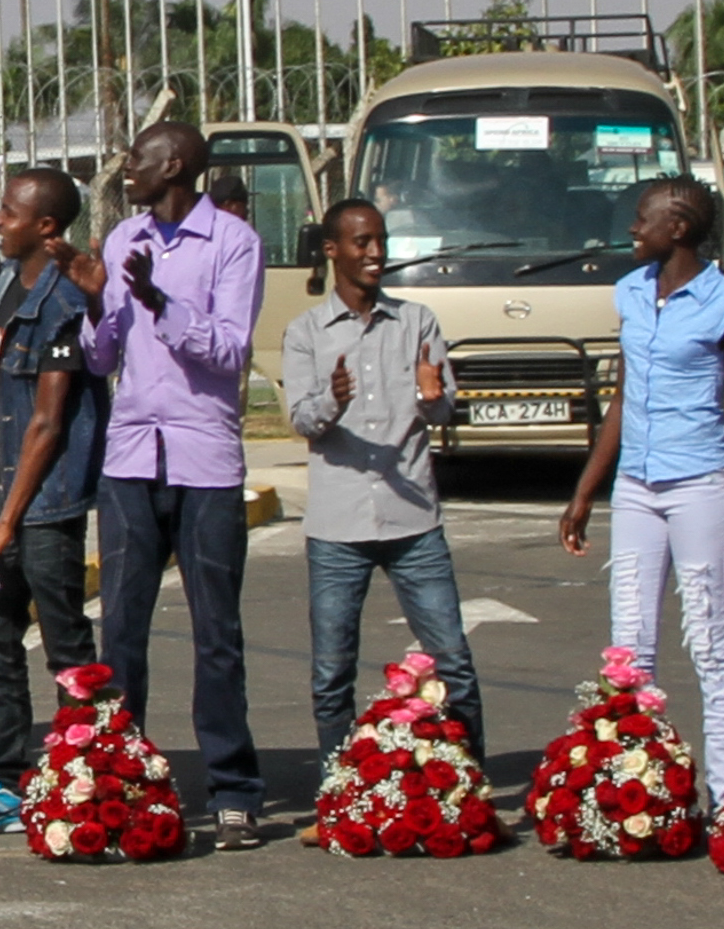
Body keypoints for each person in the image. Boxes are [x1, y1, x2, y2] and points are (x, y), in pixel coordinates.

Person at [559, 177, 724, 804]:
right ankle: (637, 784)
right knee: (630, 643)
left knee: (708, 636)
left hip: (703, 483)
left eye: (641, 219)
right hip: (637, 487)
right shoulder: (631, 293)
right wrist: (586, 490)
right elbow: (624, 397)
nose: (631, 230)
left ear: (677, 228)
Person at [85, 118, 273, 850]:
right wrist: (99, 308)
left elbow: (228, 350)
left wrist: (160, 303)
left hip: (203, 459)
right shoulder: (120, 237)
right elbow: (107, 356)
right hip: (131, 455)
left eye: (138, 157)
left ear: (177, 165)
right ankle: (116, 779)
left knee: (214, 633)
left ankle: (233, 790)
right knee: (122, 630)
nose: (126, 167)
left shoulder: (232, 242)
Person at [287, 197, 482, 763]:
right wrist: (333, 400)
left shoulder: (417, 321)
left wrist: (432, 393)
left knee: (453, 663)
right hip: (337, 526)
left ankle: (471, 778)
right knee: (331, 672)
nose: (375, 253)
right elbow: (301, 419)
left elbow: (443, 412)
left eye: (380, 241)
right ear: (332, 251)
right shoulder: (307, 332)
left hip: (413, 521)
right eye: (361, 242)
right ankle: (338, 787)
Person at [0, 165, 103, 839]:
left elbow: (45, 422)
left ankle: (90, 773)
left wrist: (7, 521)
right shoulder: (4, 290)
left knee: (66, 647)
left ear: (45, 225)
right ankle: (6, 777)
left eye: (8, 211)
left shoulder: (62, 302)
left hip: (42, 508)